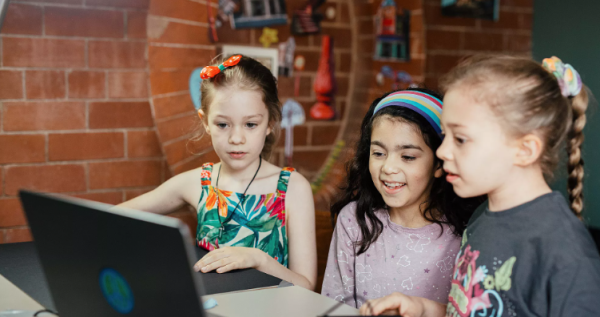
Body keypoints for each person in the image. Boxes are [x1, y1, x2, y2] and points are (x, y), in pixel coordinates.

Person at [360, 56, 600, 316]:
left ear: (524, 149)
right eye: (445, 135)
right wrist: (423, 308)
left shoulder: (564, 252)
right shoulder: (481, 219)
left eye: (460, 139)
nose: (443, 151)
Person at [119, 55, 317, 290]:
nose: (236, 138)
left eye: (250, 124)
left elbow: (306, 286)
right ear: (205, 121)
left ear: (271, 123)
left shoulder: (293, 188)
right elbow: (108, 217)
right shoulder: (197, 183)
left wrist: (258, 259)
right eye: (223, 124)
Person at [321, 88, 482, 307]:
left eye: (407, 157)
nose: (388, 167)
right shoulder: (353, 220)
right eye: (378, 153)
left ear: (438, 163)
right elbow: (334, 303)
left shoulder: (464, 234)